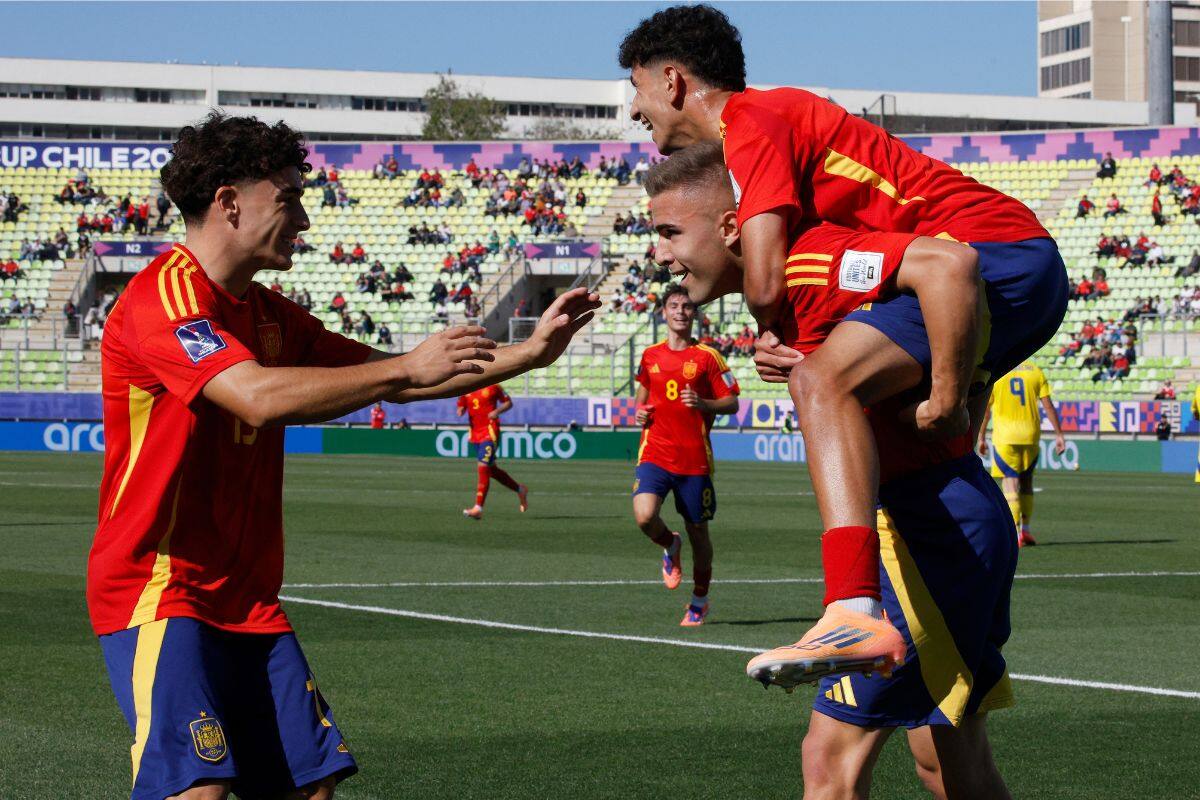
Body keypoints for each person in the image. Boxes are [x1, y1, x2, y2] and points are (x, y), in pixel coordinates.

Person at [86, 111, 599, 800]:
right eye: (289, 198)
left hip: (247, 599)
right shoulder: (163, 297)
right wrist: (406, 371)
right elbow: (258, 397)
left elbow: (400, 374)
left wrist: (529, 354)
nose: (303, 220)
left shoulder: (269, 314)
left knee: (308, 788)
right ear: (230, 203)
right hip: (160, 587)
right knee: (197, 792)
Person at [619, 4, 1067, 681]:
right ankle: (862, 600)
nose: (632, 109)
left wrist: (789, 337)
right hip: (1006, 267)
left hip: (992, 256)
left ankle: (851, 608)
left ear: (674, 80)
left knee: (821, 382)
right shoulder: (781, 126)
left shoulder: (752, 123)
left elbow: (768, 281)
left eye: (637, 87)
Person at [641, 146, 1017, 798]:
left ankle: (851, 608)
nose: (660, 255)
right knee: (945, 758)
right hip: (932, 519)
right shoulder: (783, 299)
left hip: (928, 531)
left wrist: (948, 402)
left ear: (733, 227)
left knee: (832, 758)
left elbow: (950, 266)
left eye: (671, 232)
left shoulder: (816, 259)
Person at [632, 284, 740, 626]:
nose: (680, 311)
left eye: (687, 307)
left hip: (694, 461)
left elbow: (733, 402)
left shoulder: (708, 357)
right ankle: (669, 544)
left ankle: (699, 600)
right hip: (655, 453)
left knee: (700, 535)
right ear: (664, 312)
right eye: (674, 306)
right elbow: (642, 393)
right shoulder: (650, 355)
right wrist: (639, 412)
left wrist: (705, 404)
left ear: (694, 315)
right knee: (645, 517)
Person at [976, 362, 1066, 547]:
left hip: (1006, 436)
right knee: (1027, 482)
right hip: (1031, 435)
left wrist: (981, 437)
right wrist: (1059, 435)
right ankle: (1026, 529)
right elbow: (1048, 405)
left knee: (1010, 482)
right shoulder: (1036, 371)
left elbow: (986, 411)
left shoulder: (999, 372)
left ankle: (1016, 534)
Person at [457, 384, 528, 520]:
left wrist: (497, 411)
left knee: (483, 466)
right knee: (492, 470)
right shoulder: (466, 387)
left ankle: (478, 508)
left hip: (490, 432)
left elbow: (508, 403)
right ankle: (520, 489)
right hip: (475, 434)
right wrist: (460, 409)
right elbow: (461, 405)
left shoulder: (493, 386)